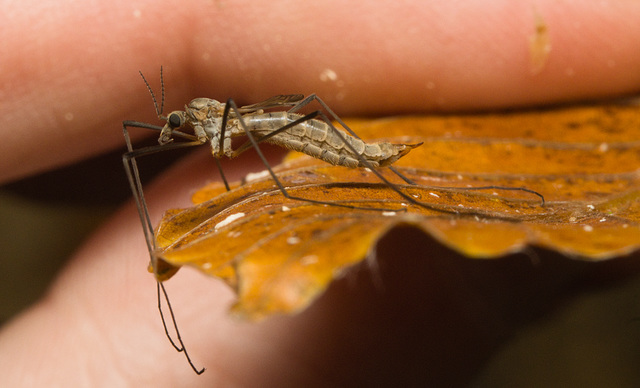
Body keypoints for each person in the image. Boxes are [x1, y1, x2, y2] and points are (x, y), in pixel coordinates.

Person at [1, 2, 639, 386]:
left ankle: (437, 193)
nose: (170, 129)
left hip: (294, 128)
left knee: (308, 111)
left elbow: (248, 119)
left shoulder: (226, 118)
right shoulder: (187, 124)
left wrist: (272, 173)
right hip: (260, 129)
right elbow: (194, 135)